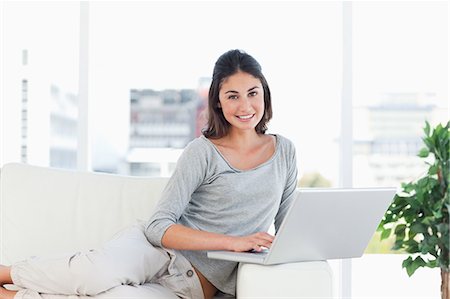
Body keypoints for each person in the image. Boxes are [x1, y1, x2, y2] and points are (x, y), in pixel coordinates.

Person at [0, 49, 298, 299]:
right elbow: (158, 227)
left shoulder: (284, 152)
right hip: (154, 251)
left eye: (252, 93)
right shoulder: (203, 151)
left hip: (189, 284)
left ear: (265, 93)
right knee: (96, 273)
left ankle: (11, 295)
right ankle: (7, 273)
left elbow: (289, 229)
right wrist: (230, 241)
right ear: (218, 101)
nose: (245, 105)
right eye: (232, 96)